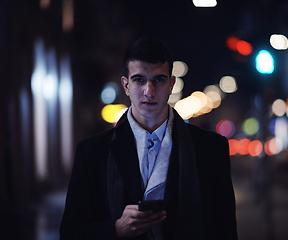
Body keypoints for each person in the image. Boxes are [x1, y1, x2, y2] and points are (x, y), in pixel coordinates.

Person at [60, 37, 238, 240]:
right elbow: (70, 233)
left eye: (158, 80)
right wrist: (116, 229)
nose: (149, 91)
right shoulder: (92, 152)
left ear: (171, 84)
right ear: (126, 85)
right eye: (139, 80)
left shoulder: (211, 149)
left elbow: (226, 231)